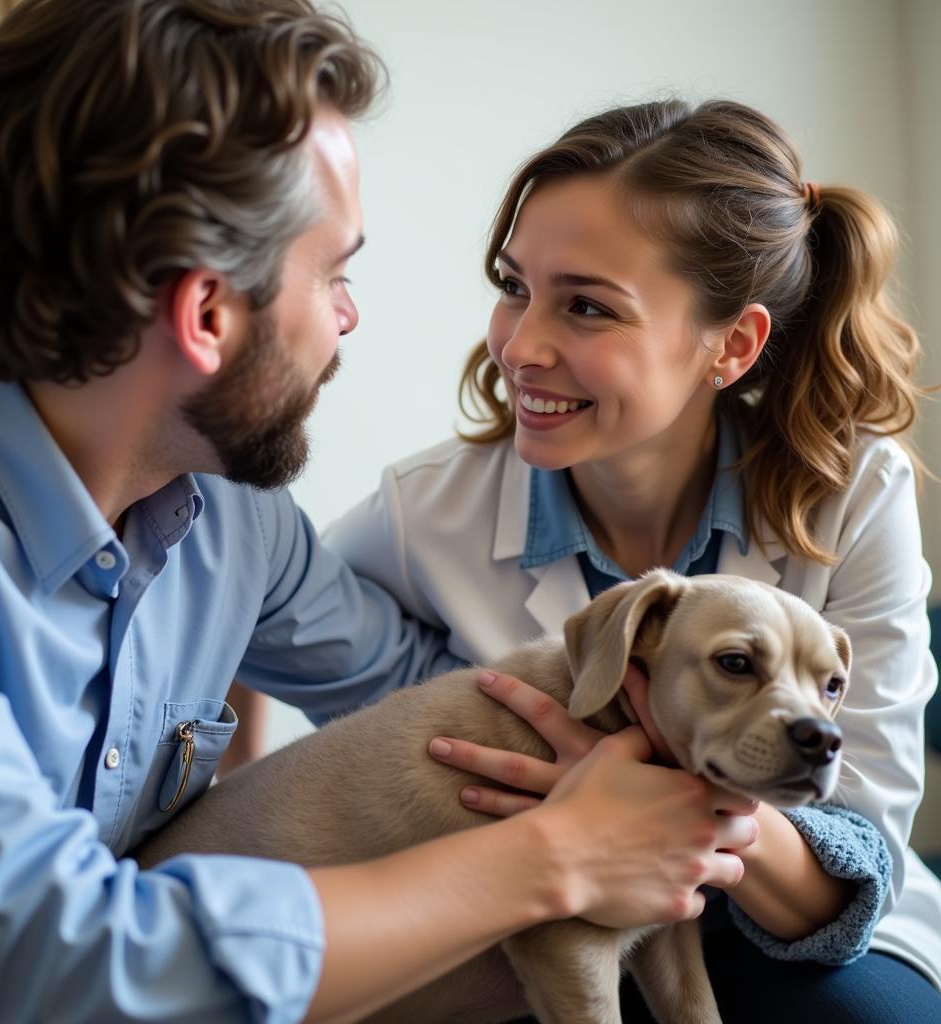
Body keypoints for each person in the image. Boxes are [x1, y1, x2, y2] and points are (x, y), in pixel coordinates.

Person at [0, 3, 763, 1022]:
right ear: (207, 313)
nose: (350, 316)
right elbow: (66, 961)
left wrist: (626, 750)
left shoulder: (234, 524)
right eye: (335, 273)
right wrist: (550, 858)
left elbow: (433, 703)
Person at [323, 99, 941, 1021]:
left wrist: (666, 810)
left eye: (586, 306)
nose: (519, 348)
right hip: (551, 924)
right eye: (513, 286)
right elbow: (262, 604)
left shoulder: (853, 492)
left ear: (731, 344)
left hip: (787, 924)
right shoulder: (429, 510)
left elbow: (860, 855)